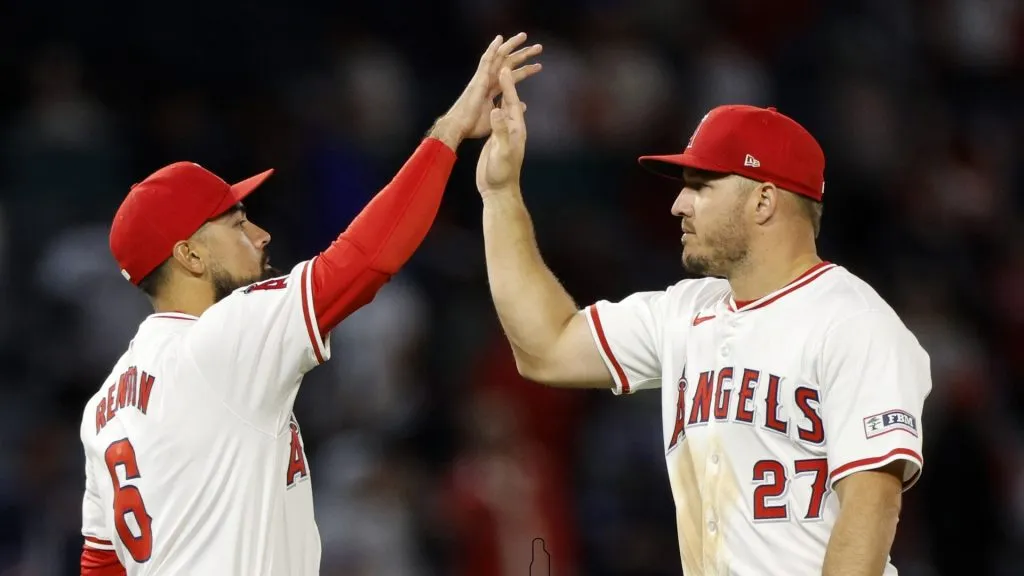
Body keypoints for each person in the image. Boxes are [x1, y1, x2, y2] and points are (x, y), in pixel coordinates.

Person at [78, 33, 542, 576]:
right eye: (235, 222)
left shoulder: (104, 406)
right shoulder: (221, 338)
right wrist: (453, 128)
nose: (261, 233)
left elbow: (101, 562)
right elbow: (364, 262)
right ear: (189, 254)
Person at [475, 68, 931, 575]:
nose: (678, 204)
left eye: (701, 185)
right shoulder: (685, 312)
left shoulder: (853, 323)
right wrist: (500, 197)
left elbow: (872, 508)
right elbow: (547, 347)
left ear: (763, 200)